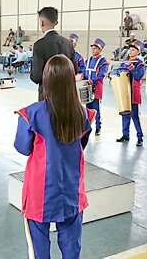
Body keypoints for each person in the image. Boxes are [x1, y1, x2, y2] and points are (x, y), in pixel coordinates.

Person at [14, 54, 95, 259]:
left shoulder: (32, 114)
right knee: (71, 247)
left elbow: (22, 147)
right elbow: (81, 145)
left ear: (46, 80)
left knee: (39, 248)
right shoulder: (83, 114)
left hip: (39, 193)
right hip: (71, 189)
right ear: (71, 81)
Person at [31, 6, 75, 101]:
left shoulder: (39, 45)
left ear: (41, 23)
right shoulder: (68, 44)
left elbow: (36, 76)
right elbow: (74, 70)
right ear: (56, 23)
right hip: (66, 96)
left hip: (47, 95)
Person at [116, 40, 146, 147]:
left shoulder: (140, 64)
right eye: (130, 49)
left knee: (135, 116)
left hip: (134, 93)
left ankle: (140, 136)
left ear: (138, 52)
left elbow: (138, 76)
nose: (130, 51)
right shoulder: (125, 61)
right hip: (125, 91)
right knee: (125, 114)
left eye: (133, 50)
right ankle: (125, 135)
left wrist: (131, 67)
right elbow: (119, 72)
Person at [84, 37, 109, 136]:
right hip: (87, 87)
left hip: (96, 88)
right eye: (92, 48)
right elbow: (84, 71)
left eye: (95, 48)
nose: (93, 50)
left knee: (96, 109)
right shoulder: (88, 60)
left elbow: (102, 75)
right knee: (87, 108)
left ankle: (98, 127)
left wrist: (92, 80)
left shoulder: (103, 61)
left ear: (100, 49)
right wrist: (82, 76)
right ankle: (87, 126)